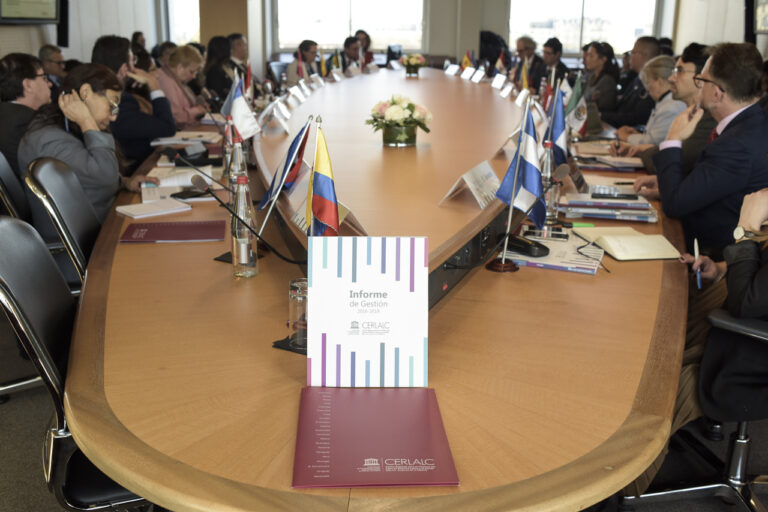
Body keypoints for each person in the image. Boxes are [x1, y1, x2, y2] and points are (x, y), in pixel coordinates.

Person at [624, 189, 768, 498]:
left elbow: (747, 303)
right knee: (652, 348)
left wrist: (745, 229)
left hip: (753, 356)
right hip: (741, 327)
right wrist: (721, 270)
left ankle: (612, 489)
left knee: (652, 395)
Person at [637, 42, 768, 259]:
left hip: (711, 258)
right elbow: (711, 185)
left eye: (702, 80)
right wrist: (669, 185)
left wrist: (673, 138)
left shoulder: (736, 145)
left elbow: (675, 204)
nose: (698, 85)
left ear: (717, 93)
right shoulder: (748, 125)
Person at [17, 64, 156, 229]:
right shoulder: (49, 139)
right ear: (85, 93)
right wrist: (86, 120)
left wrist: (125, 182)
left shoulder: (65, 129)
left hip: (100, 227)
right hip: (90, 239)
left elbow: (86, 176)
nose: (113, 117)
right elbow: (104, 176)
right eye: (112, 105)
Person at [613, 43, 715, 178]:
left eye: (679, 71)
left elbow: (667, 163)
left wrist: (645, 151)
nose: (671, 78)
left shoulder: (707, 119)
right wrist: (644, 150)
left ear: (701, 77)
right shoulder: (692, 113)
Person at [91, 35, 176, 170]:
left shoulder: (95, 93)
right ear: (124, 69)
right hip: (132, 172)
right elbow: (167, 128)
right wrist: (154, 86)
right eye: (133, 60)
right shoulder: (121, 101)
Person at [614, 55, 686, 145]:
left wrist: (626, 137)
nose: (647, 89)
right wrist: (639, 133)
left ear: (659, 82)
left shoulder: (671, 107)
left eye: (648, 83)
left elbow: (653, 142)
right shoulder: (665, 103)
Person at [0, 53, 51, 177]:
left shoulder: (7, 114)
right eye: (44, 78)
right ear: (28, 85)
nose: (50, 84)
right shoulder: (28, 121)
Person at [601, 36, 660, 128]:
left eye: (632, 52)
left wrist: (602, 116)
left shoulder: (650, 84)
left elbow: (637, 117)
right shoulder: (637, 80)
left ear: (642, 55)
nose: (629, 57)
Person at [156, 45, 207, 126]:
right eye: (191, 72)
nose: (194, 76)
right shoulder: (165, 81)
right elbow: (176, 117)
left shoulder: (175, 78)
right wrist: (198, 110)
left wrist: (200, 106)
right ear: (180, 68)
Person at [582, 41, 618, 113]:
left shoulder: (607, 81)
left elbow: (604, 108)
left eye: (591, 56)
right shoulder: (591, 76)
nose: (587, 59)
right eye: (587, 55)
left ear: (603, 60)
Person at [204, 35, 234, 106]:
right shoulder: (215, 71)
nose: (231, 51)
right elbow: (220, 93)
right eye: (230, 48)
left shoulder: (222, 67)